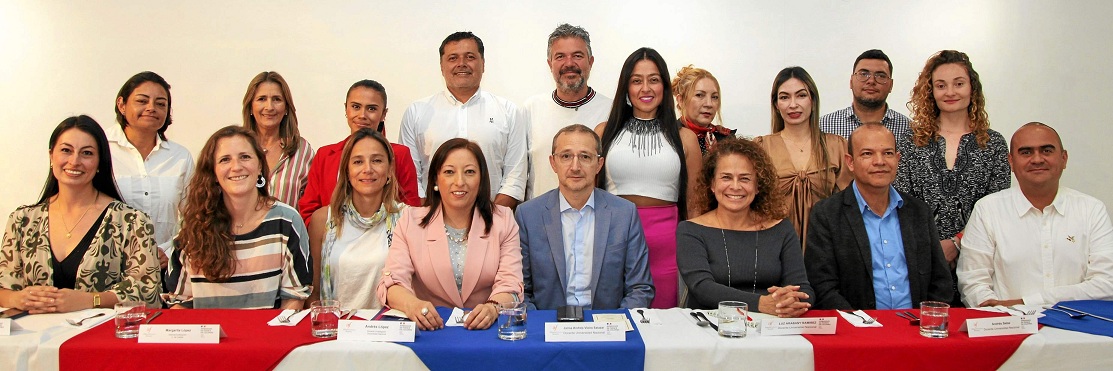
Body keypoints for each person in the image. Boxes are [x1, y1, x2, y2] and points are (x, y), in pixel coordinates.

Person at [0, 116, 161, 313]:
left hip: (99, 340)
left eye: (86, 153)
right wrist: (17, 298)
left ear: (100, 161)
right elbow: (4, 286)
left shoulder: (131, 221)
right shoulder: (22, 220)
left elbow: (149, 293)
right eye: (66, 150)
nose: (75, 161)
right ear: (51, 156)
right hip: (34, 341)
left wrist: (90, 300)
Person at [896, 50, 1010, 306]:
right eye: (941, 85)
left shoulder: (994, 145)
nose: (950, 92)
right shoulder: (911, 142)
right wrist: (935, 249)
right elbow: (901, 203)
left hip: (980, 262)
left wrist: (957, 243)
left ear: (972, 88)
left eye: (959, 83)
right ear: (930, 92)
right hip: (919, 259)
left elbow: (997, 209)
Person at [958, 123, 1113, 307]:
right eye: (1026, 152)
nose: (1037, 159)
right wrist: (1004, 313)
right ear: (1011, 162)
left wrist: (1027, 303)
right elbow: (973, 283)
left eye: (1047, 151)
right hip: (1009, 328)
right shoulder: (988, 210)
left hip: (1077, 331)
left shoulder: (1091, 210)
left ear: (1064, 159)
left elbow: (1106, 284)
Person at [594, 47, 702, 309]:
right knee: (614, 324)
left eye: (653, 79)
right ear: (626, 87)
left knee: (664, 326)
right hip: (614, 239)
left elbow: (696, 204)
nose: (646, 88)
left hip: (668, 244)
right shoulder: (602, 132)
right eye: (636, 80)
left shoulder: (685, 138)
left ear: (664, 86)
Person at [378, 138, 522, 331]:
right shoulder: (410, 221)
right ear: (436, 179)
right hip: (430, 329)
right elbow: (392, 281)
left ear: (481, 179)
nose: (459, 182)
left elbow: (511, 283)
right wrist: (412, 305)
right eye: (449, 172)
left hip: (486, 331)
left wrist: (493, 308)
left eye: (469, 172)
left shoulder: (503, 220)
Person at [805, 124, 952, 310]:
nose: (879, 161)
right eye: (867, 154)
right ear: (850, 162)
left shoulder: (919, 212)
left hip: (916, 328)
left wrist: (925, 320)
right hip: (858, 330)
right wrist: (861, 325)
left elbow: (941, 282)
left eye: (888, 153)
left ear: (898, 159)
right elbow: (822, 286)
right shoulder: (827, 214)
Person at [168, 126, 311, 309]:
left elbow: (294, 297)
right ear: (213, 172)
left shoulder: (287, 221)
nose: (236, 167)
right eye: (225, 159)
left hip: (267, 334)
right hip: (208, 336)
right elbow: (179, 303)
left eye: (245, 157)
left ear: (260, 165)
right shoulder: (193, 225)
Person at [517, 124, 653, 310]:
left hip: (607, 325)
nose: (575, 167)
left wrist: (617, 325)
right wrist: (540, 325)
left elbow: (640, 287)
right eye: (566, 156)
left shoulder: (624, 214)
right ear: (553, 163)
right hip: (548, 326)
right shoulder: (528, 215)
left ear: (599, 164)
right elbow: (520, 289)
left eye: (585, 157)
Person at [677, 138, 813, 316]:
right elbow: (702, 289)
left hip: (772, 330)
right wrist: (760, 303)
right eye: (726, 177)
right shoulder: (690, 230)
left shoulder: (781, 229)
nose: (735, 186)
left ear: (758, 186)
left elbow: (803, 289)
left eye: (745, 179)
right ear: (712, 184)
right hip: (710, 331)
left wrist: (791, 301)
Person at [399, 31, 528, 209]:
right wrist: (428, 217)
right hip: (430, 221)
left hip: (493, 222)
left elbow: (515, 176)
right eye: (453, 58)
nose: (462, 64)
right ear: (441, 66)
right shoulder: (417, 112)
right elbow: (410, 176)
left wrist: (492, 218)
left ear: (483, 64)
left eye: (470, 57)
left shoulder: (508, 112)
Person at [307, 128, 406, 310]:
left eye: (377, 160)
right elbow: (313, 292)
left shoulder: (407, 219)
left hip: (389, 330)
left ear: (390, 169)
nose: (367, 169)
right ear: (347, 169)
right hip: (336, 331)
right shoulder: (322, 220)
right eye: (358, 162)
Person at [755, 67, 851, 251]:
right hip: (774, 250)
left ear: (813, 100)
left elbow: (848, 207)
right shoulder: (761, 148)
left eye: (801, 95)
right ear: (776, 104)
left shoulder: (837, 146)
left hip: (827, 250)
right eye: (784, 97)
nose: (793, 104)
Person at [298, 80, 420, 222]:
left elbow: (411, 208)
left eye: (372, 109)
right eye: (356, 107)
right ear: (346, 109)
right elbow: (308, 210)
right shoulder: (325, 155)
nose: (362, 115)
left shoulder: (399, 154)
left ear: (383, 114)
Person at [107, 71, 193, 269]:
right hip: (108, 266)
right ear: (121, 104)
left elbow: (194, 217)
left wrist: (169, 251)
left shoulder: (180, 157)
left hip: (164, 267)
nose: (151, 108)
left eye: (160, 104)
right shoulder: (100, 149)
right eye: (142, 101)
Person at [523, 24, 612, 199]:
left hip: (596, 220)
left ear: (590, 62)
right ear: (550, 64)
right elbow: (519, 175)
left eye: (577, 56)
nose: (569, 63)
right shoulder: (531, 109)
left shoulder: (611, 110)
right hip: (541, 220)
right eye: (560, 57)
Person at [241, 71, 315, 208]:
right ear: (250, 106)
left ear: (286, 107)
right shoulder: (237, 147)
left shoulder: (303, 150)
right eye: (262, 99)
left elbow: (310, 205)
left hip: (285, 229)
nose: (269, 107)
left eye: (277, 99)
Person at [819, 49, 912, 139]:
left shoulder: (910, 131)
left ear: (891, 85)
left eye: (880, 76)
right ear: (851, 81)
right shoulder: (822, 127)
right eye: (863, 74)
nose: (871, 81)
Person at [672, 65, 735, 154]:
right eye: (699, 95)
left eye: (714, 97)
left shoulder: (727, 140)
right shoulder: (669, 138)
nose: (709, 104)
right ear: (681, 100)